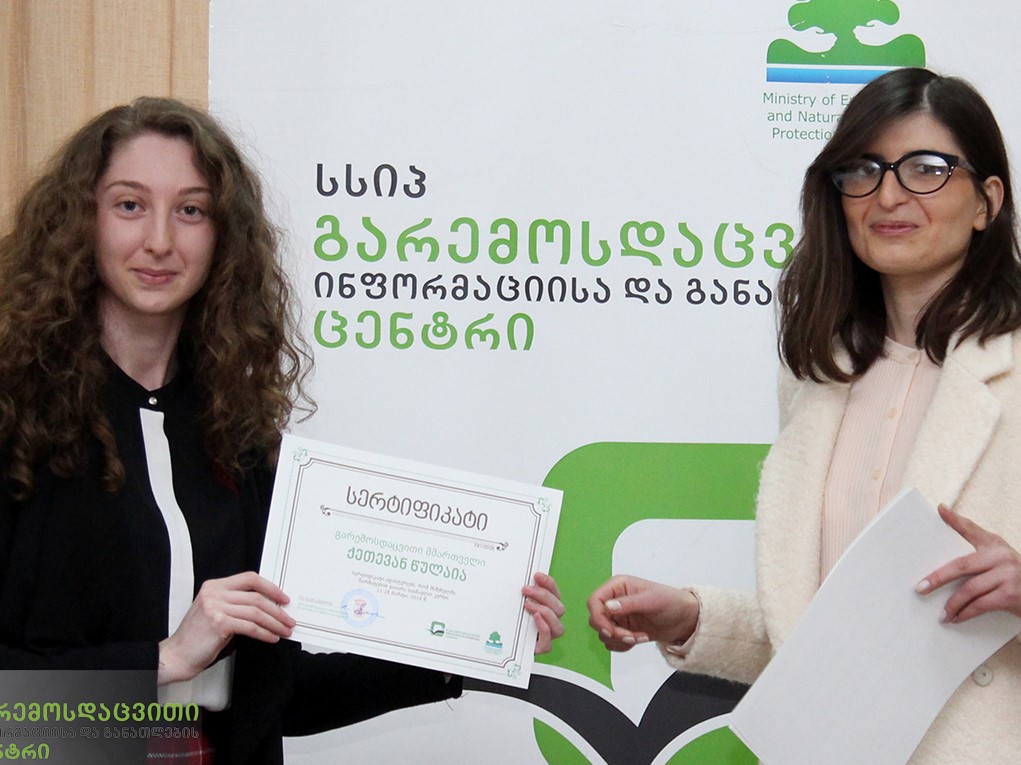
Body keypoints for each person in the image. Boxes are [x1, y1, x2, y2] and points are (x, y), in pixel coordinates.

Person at [0, 96, 565, 764]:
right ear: (79, 221)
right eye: (129, 205)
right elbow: (14, 718)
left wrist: (471, 644)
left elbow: (276, 692)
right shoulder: (15, 417)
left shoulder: (236, 433)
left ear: (224, 236)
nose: (160, 240)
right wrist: (165, 660)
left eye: (191, 210)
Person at [587, 67, 1021, 763]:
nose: (887, 195)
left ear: (986, 201)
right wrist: (689, 616)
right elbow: (824, 638)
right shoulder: (817, 375)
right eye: (864, 170)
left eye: (926, 169)